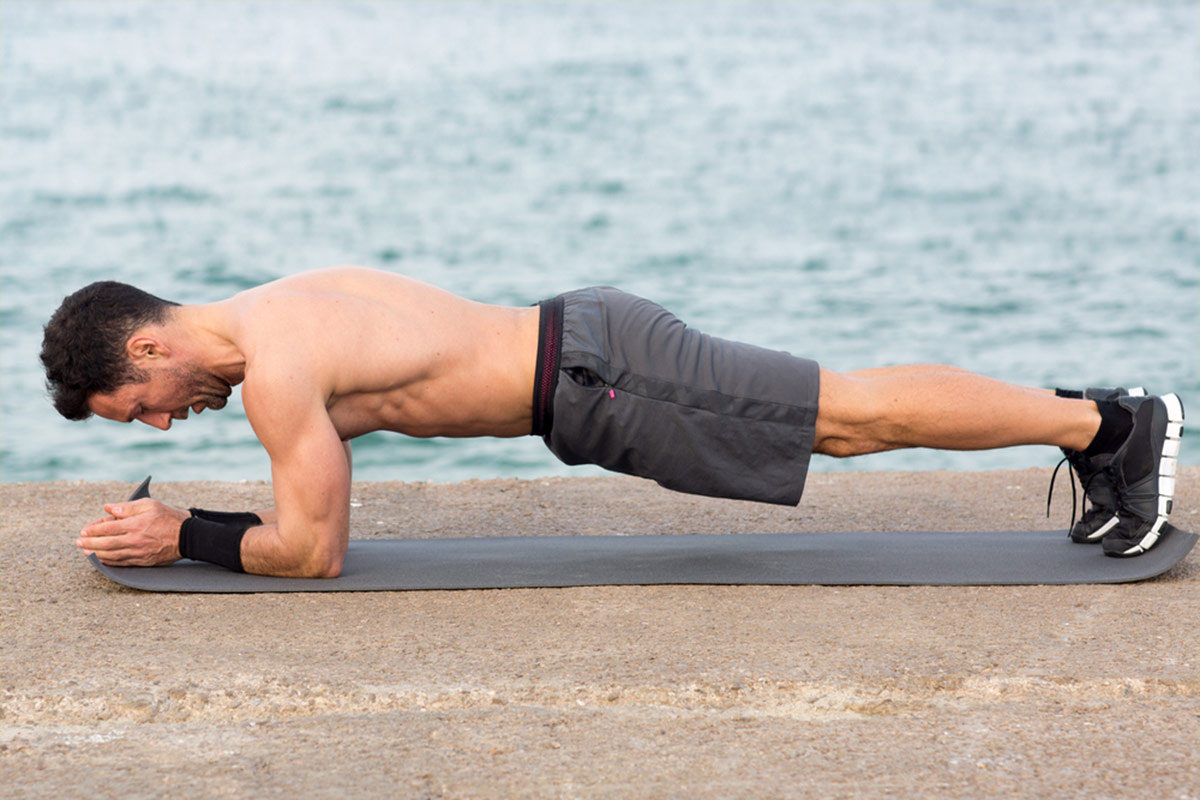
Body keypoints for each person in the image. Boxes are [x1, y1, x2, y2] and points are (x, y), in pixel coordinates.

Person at [41, 266, 1184, 577]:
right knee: (846, 413)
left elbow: (314, 550)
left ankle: (1108, 428)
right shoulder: (277, 307)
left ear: (147, 348)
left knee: (849, 416)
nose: (160, 426)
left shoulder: (279, 370)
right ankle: (1092, 427)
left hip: (602, 376)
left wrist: (182, 533)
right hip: (589, 351)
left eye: (138, 408)